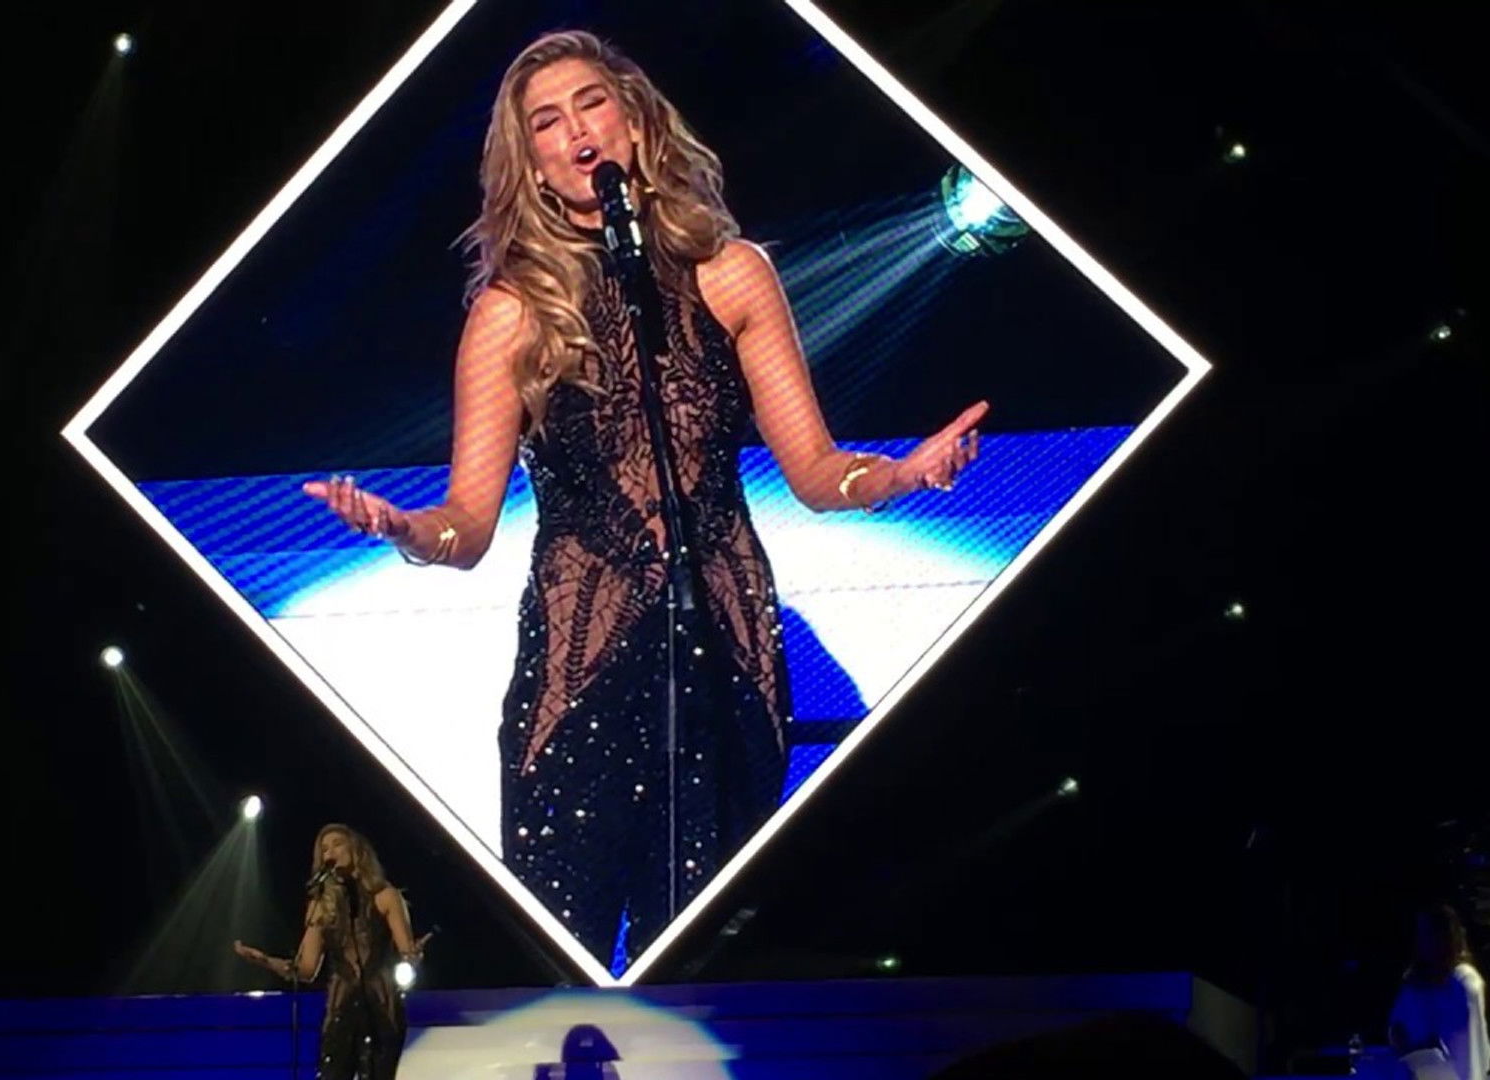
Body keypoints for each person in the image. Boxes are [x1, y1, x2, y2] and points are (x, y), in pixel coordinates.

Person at [303, 30, 986, 965]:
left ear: (635, 119)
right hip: (580, 666)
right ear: (532, 164)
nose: (577, 131)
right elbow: (466, 525)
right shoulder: (511, 313)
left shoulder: (732, 274)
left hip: (724, 650)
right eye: (548, 122)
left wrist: (906, 472)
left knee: (711, 954)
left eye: (592, 103)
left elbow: (818, 472)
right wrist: (404, 528)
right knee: (563, 947)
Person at [234, 824, 424, 1080]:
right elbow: (306, 969)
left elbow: (407, 952)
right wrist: (265, 961)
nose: (330, 852)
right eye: (324, 849)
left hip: (381, 1007)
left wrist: (413, 958)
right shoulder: (321, 905)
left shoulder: (385, 896)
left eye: (337, 844)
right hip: (341, 1009)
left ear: (355, 849)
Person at [1381, 904, 1490, 1080]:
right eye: (1422, 933)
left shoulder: (1464, 980)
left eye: (1431, 933)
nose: (1425, 941)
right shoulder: (1415, 981)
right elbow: (1398, 1026)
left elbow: (1464, 1043)